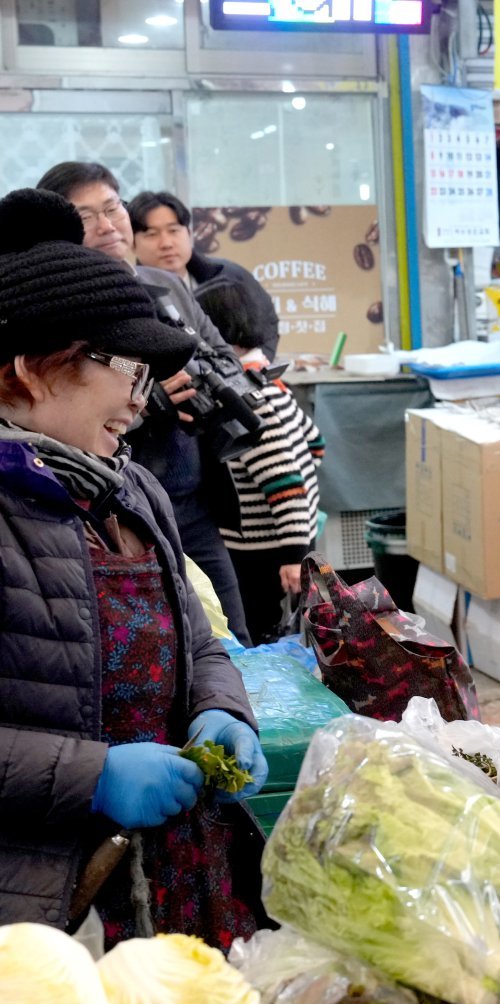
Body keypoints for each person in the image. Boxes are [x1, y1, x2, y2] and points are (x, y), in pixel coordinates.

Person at [0, 188, 267, 950]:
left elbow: (199, 638)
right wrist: (94, 775)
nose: (139, 401)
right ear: (32, 370)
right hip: (51, 899)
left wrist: (222, 706)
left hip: (185, 864)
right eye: (127, 370)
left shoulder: (127, 483)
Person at [36, 162, 252, 645]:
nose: (107, 226)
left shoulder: (168, 283)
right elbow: (57, 411)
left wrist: (211, 382)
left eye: (113, 208)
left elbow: (221, 354)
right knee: (155, 642)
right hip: (114, 501)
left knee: (232, 637)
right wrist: (151, 399)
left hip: (193, 498)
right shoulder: (59, 306)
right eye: (86, 216)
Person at [195, 278, 324, 644]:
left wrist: (292, 552)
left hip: (263, 550)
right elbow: (316, 444)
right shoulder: (269, 383)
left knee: (260, 631)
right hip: (285, 539)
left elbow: (284, 481)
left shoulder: (245, 399)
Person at [128, 191, 281, 362]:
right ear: (132, 243)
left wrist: (252, 370)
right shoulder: (128, 294)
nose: (166, 243)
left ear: (189, 233)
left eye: (173, 230)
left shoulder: (229, 276)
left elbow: (267, 322)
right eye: (151, 234)